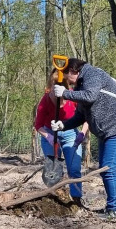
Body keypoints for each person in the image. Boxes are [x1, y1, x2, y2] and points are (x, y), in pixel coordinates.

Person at [51, 58, 116, 221]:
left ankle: (114, 211)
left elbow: (90, 96)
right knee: (105, 168)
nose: (68, 83)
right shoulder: (80, 85)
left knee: (109, 169)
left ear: (72, 71)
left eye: (67, 77)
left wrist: (65, 94)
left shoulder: (93, 74)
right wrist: (62, 125)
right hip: (107, 132)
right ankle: (111, 207)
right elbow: (79, 116)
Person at [34, 67, 87, 203]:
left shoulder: (73, 97)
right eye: (53, 88)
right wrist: (49, 137)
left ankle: (76, 199)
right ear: (50, 87)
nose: (55, 91)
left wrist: (82, 133)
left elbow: (87, 117)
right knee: (52, 171)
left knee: (74, 169)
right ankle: (53, 198)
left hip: (70, 135)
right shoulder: (45, 100)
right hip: (49, 135)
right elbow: (38, 125)